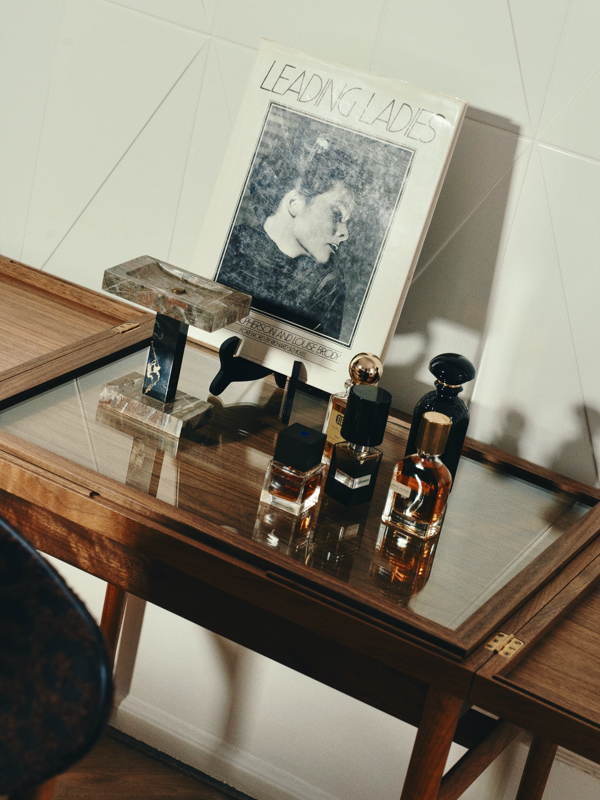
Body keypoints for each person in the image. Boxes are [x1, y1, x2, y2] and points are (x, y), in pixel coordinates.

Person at [217, 136, 361, 340]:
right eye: (337, 214)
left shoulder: (328, 282)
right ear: (296, 203)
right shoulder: (229, 245)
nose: (344, 233)